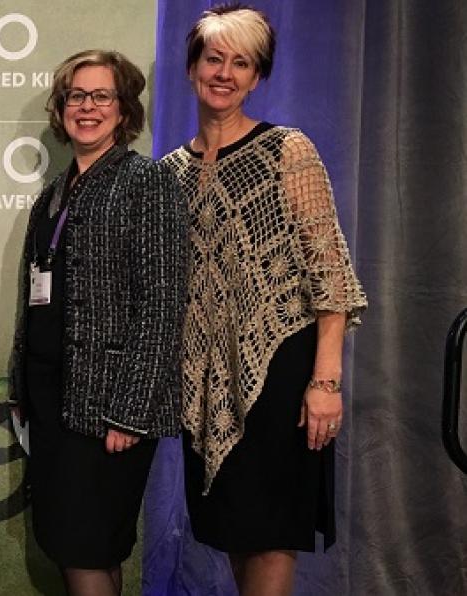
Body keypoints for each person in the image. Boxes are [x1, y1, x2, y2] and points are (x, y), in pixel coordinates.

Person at [161, 4, 368, 594]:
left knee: (272, 531)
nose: (224, 73)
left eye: (241, 63)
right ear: (193, 68)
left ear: (257, 77)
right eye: (214, 58)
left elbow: (330, 274)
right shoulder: (169, 172)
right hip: (204, 379)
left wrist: (325, 383)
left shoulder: (286, 150)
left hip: (280, 373)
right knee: (232, 528)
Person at [7, 49, 187, 596]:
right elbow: (36, 294)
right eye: (75, 96)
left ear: (124, 108)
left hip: (109, 406)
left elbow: (162, 305)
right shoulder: (54, 195)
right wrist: (21, 384)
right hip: (52, 399)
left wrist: (131, 413)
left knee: (86, 548)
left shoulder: (146, 183)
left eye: (100, 95)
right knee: (80, 547)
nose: (86, 107)